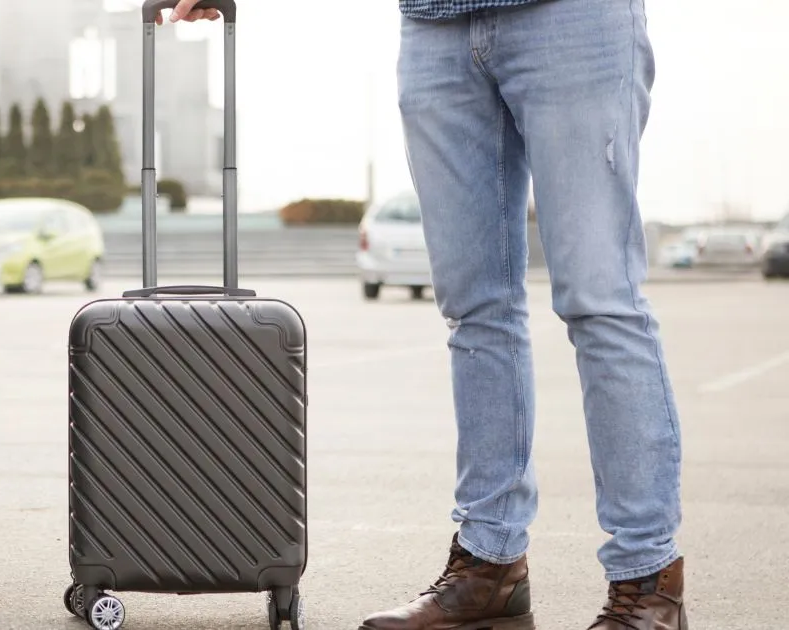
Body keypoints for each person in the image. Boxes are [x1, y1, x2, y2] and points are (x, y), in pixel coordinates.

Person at [159, 1, 686, 628]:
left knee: (601, 303)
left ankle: (647, 584)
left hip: (569, 19)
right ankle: (490, 564)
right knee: (475, 313)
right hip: (436, 24)